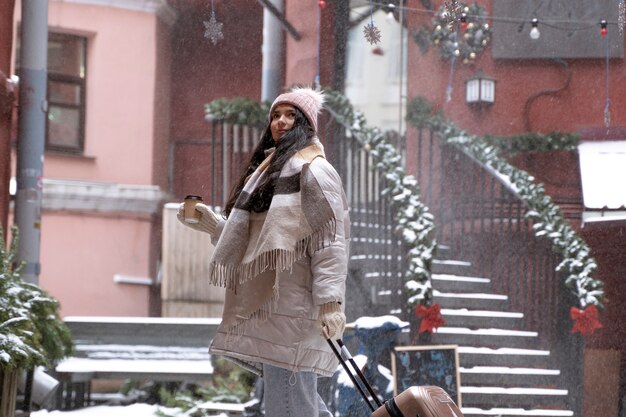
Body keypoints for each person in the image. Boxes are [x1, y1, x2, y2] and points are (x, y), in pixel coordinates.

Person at [177, 86, 350, 417]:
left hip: (295, 306)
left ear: (307, 125)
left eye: (291, 115)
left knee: (290, 404)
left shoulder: (313, 169)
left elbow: (330, 242)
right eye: (275, 115)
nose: (281, 121)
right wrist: (213, 225)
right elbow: (259, 239)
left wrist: (331, 304)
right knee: (298, 399)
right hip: (273, 304)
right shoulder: (267, 173)